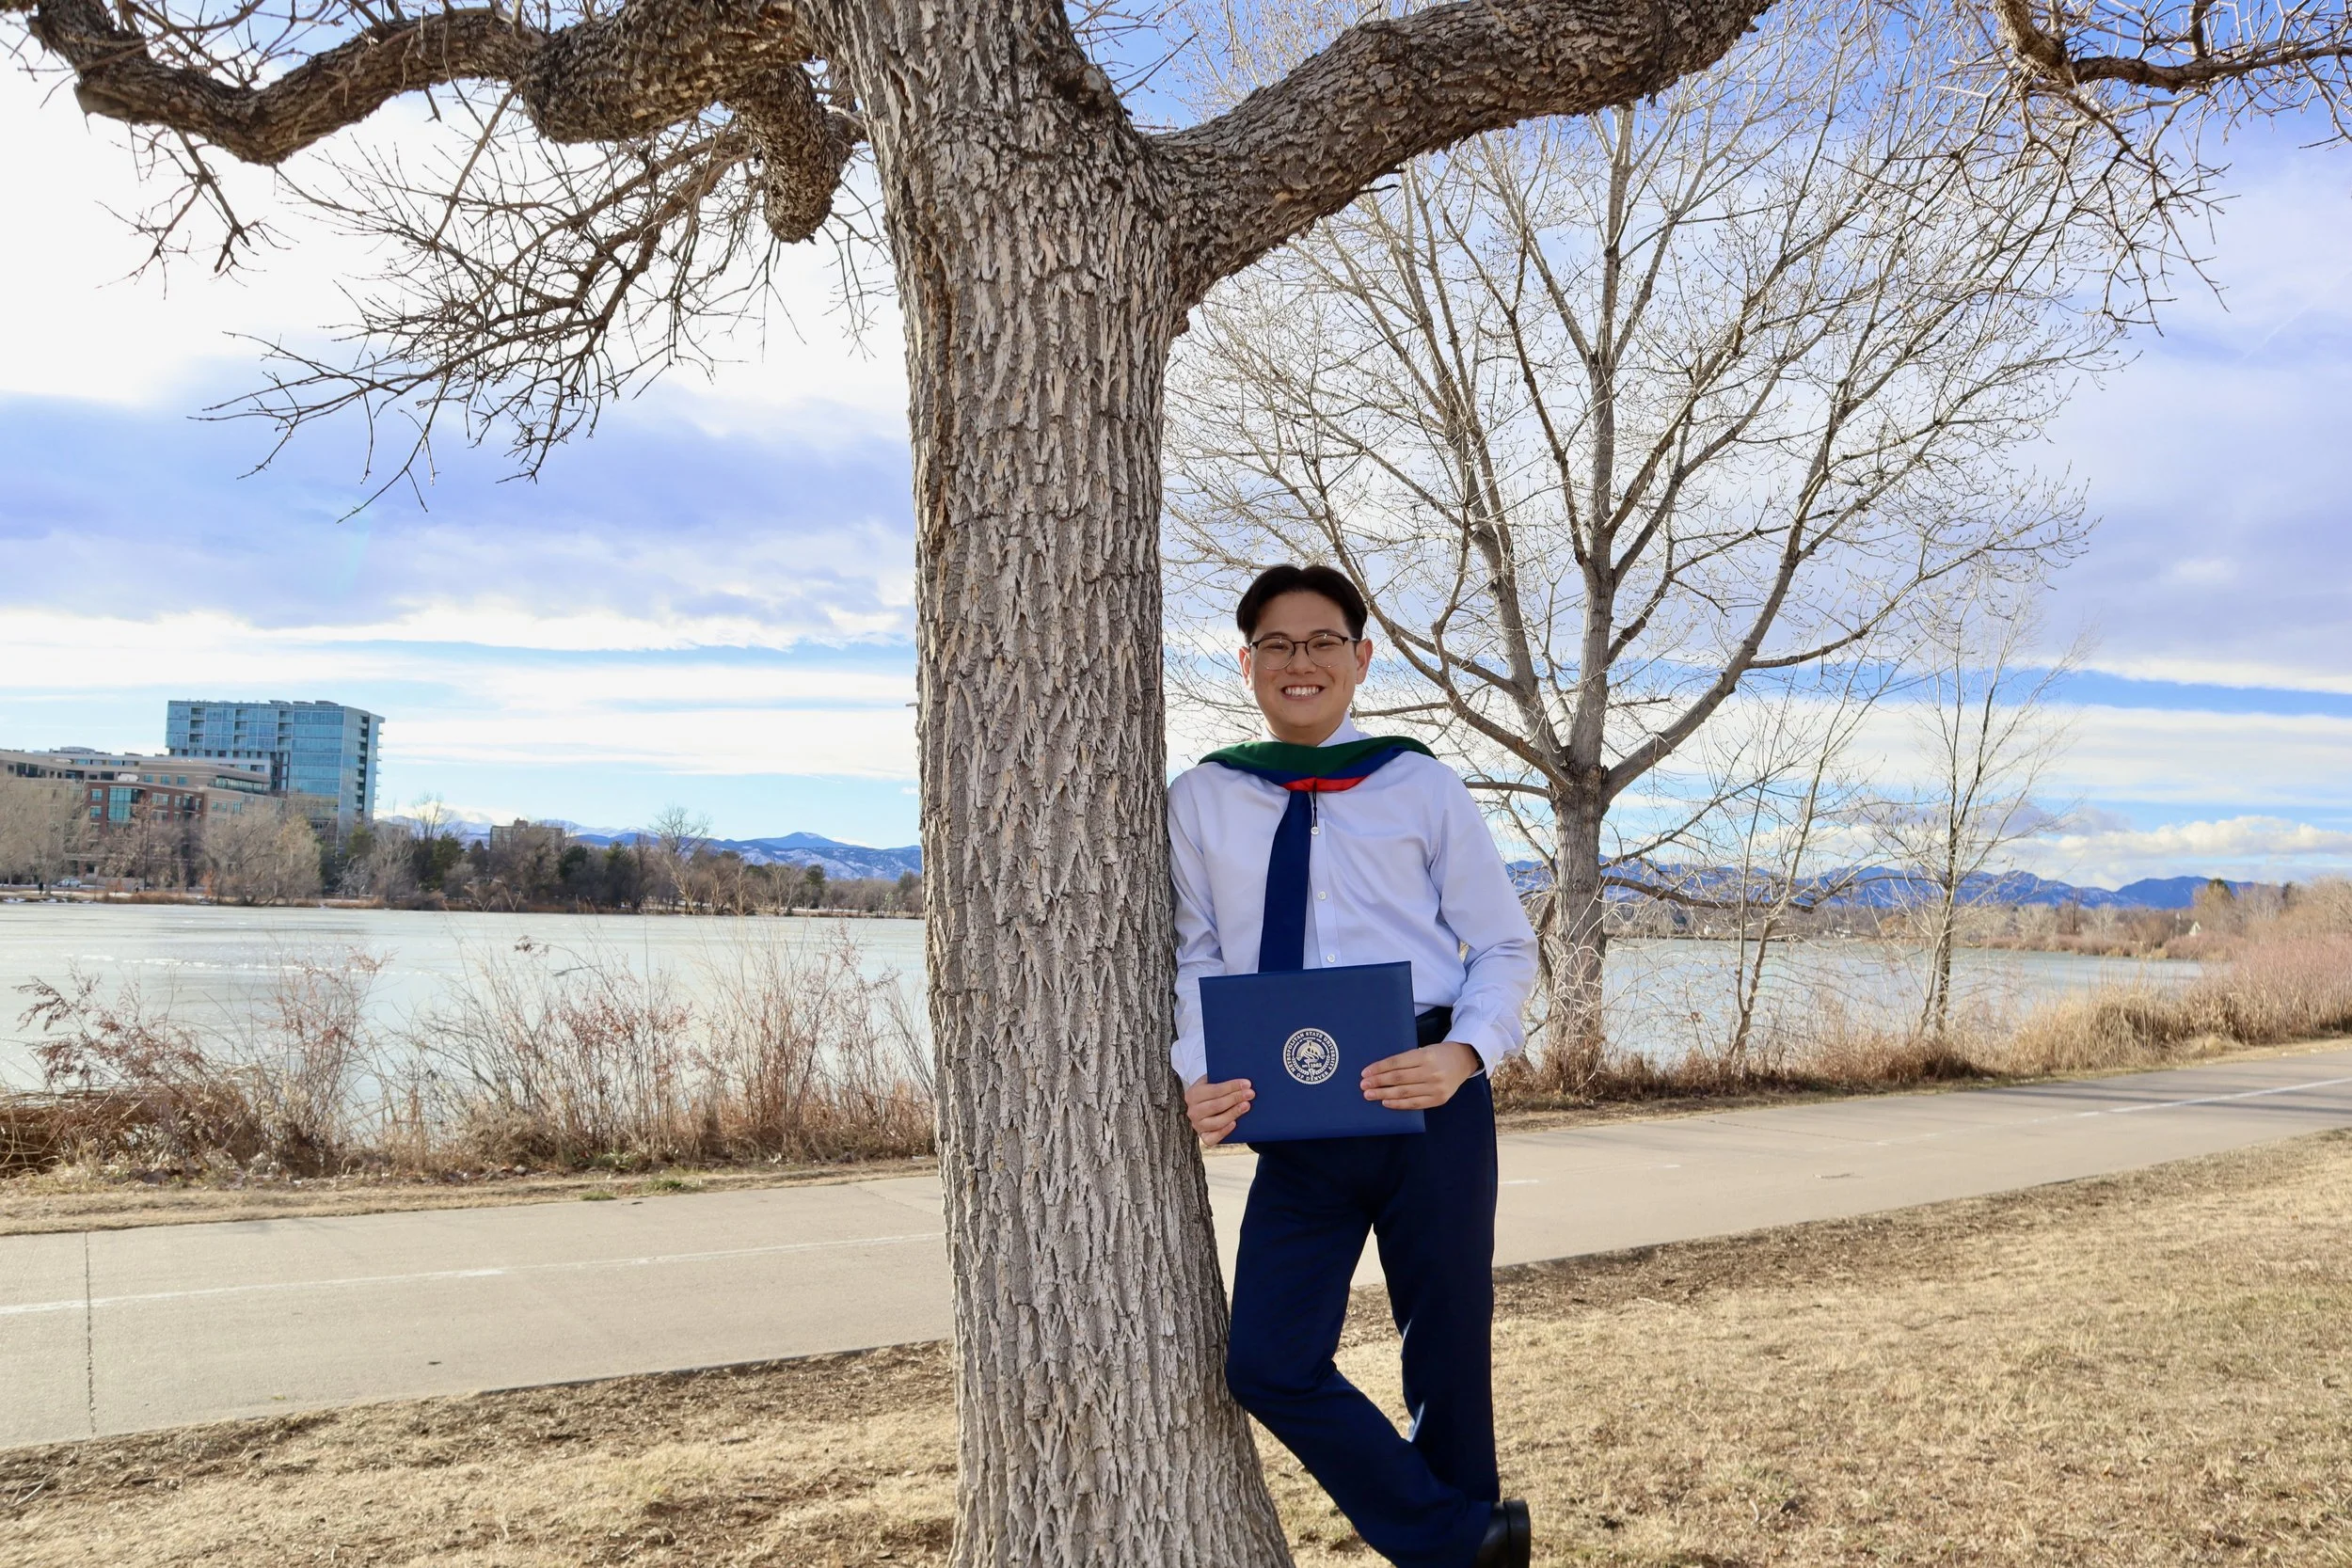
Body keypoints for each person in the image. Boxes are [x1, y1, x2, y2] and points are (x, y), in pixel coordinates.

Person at [1169, 563, 1539, 1568]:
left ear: (1360, 658)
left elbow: (1504, 945)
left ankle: (1457, 1545)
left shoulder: (1418, 782)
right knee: (1268, 1360)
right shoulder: (1202, 798)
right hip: (1291, 1104)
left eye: (1323, 641)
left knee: (1449, 1348)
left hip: (1430, 1095)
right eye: (1279, 645)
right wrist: (1200, 1069)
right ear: (1247, 664)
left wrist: (1462, 1054)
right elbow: (1193, 953)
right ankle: (1463, 1537)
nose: (1302, 661)